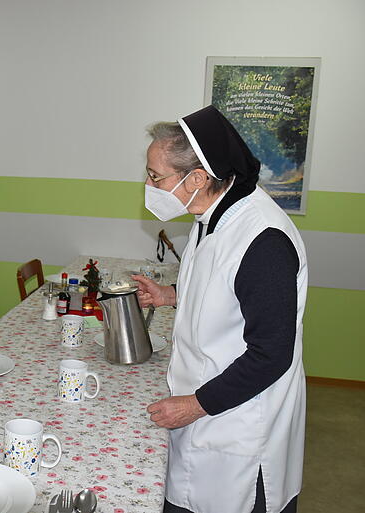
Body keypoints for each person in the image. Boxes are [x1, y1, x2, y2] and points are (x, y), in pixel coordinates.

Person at [132, 106, 307, 513]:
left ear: (197, 178)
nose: (148, 184)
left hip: (241, 426)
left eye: (156, 176)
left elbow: (271, 354)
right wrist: (171, 294)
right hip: (204, 404)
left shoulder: (263, 240)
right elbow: (224, 284)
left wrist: (194, 404)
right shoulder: (212, 213)